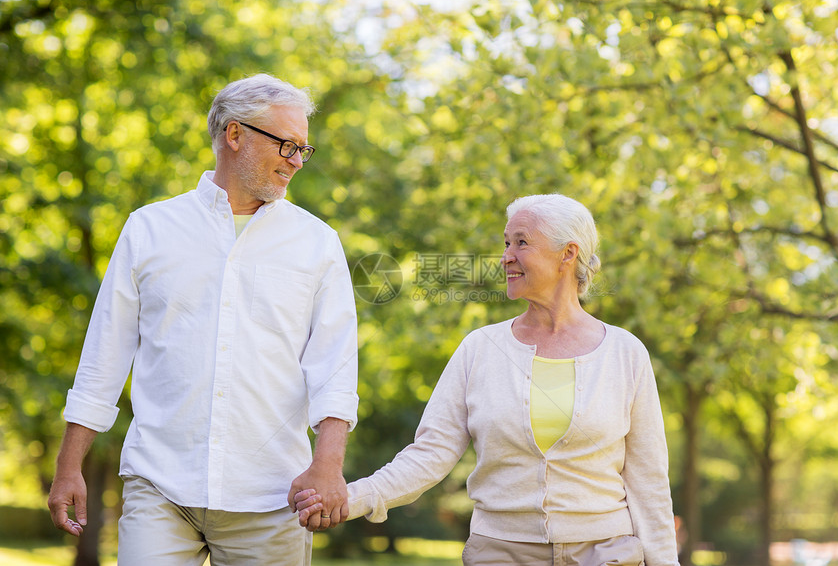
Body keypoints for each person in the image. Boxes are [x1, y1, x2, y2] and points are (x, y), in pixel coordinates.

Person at [47, 73, 359, 565]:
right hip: (160, 486)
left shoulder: (317, 243)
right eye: (286, 145)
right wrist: (68, 466)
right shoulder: (149, 229)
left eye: (304, 149)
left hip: (272, 497)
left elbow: (334, 369)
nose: (296, 161)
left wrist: (328, 466)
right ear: (234, 135)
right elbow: (104, 358)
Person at [296, 193, 680, 565]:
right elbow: (430, 453)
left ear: (568, 253)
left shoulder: (625, 354)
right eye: (506, 243)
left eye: (522, 243)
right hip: (502, 551)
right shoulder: (480, 349)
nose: (506, 257)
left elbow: (649, 483)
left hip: (605, 551)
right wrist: (351, 497)